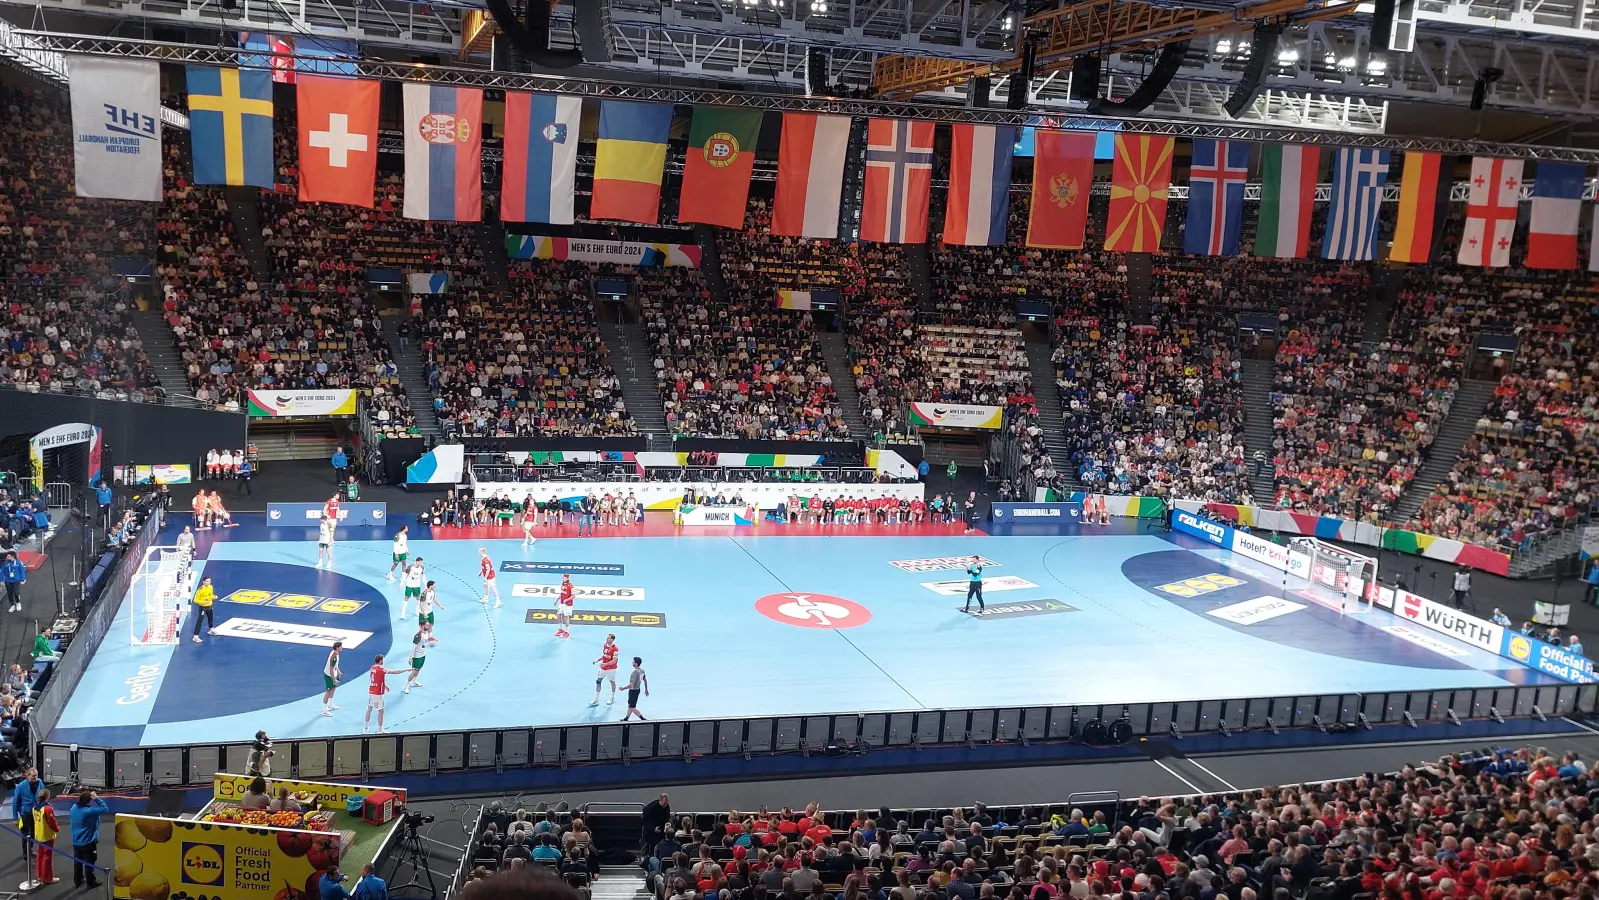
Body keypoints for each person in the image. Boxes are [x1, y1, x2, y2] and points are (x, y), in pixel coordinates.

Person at [69, 789, 109, 889]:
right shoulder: (89, 811)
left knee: (77, 862)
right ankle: (91, 882)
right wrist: (96, 798)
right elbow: (104, 808)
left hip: (76, 841)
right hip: (88, 842)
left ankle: (78, 881)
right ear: (89, 800)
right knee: (89, 862)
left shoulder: (73, 808)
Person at [364, 654, 407, 734]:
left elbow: (375, 679)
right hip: (378, 693)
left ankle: (365, 728)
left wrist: (385, 686)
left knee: (369, 709)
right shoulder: (381, 669)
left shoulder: (372, 668)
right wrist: (406, 670)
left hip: (371, 691)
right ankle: (380, 730)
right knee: (381, 711)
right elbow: (395, 672)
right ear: (380, 661)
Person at [12, 768, 38, 876]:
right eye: (33, 776)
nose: (35, 778)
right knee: (26, 835)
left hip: (36, 813)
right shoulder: (21, 786)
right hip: (26, 814)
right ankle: (26, 855)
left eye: (36, 775)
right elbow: (15, 802)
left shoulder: (39, 782)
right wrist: (15, 818)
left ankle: (30, 850)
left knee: (33, 834)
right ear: (27, 776)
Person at [32, 787, 58, 884]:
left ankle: (39, 875)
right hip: (47, 835)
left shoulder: (35, 806)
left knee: (40, 855)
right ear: (48, 797)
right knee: (47, 857)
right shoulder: (47, 808)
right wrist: (57, 829)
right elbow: (52, 822)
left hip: (39, 833)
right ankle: (47, 878)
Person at [403, 621, 436, 693]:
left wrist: (431, 643)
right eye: (426, 625)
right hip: (417, 656)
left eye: (428, 625)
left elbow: (424, 644)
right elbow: (413, 647)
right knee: (414, 671)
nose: (428, 626)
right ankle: (406, 686)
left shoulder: (426, 633)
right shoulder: (418, 635)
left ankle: (413, 682)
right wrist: (411, 657)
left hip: (423, 654)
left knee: (419, 669)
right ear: (422, 625)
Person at [590, 634, 620, 707]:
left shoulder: (615, 648)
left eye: (609, 638)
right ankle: (596, 700)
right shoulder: (605, 645)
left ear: (612, 639)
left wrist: (606, 664)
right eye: (607, 638)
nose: (607, 639)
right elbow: (604, 655)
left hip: (611, 668)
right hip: (603, 668)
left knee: (612, 682)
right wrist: (597, 660)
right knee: (598, 681)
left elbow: (615, 660)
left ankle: (612, 697)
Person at [622, 656, 649, 721]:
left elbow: (631, 684)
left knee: (632, 707)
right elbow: (645, 680)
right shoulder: (642, 670)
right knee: (630, 705)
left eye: (633, 661)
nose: (632, 662)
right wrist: (646, 689)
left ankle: (642, 718)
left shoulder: (635, 672)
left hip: (633, 691)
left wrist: (623, 688)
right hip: (637, 690)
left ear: (636, 663)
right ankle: (626, 718)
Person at [191, 576, 216, 643]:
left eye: (209, 581)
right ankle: (195, 636)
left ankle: (211, 630)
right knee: (200, 621)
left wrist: (214, 597)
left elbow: (210, 595)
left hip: (209, 605)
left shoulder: (210, 587)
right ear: (203, 582)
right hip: (203, 607)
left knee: (210, 618)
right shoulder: (200, 590)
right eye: (207, 581)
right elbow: (195, 600)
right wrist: (204, 602)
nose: (209, 582)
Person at [321, 640, 343, 717]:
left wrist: (339, 671)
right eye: (341, 647)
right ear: (337, 648)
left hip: (334, 673)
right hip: (329, 675)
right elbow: (330, 669)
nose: (342, 648)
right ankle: (324, 710)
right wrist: (334, 680)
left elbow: (335, 665)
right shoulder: (333, 657)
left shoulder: (336, 653)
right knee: (328, 691)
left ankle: (330, 705)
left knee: (333, 689)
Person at [554, 574, 575, 639]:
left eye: (565, 578)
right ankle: (561, 629)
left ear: (568, 578)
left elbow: (573, 596)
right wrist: (556, 600)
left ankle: (567, 632)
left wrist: (567, 599)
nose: (564, 579)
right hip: (562, 603)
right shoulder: (562, 584)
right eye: (563, 578)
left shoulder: (571, 586)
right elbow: (561, 593)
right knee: (558, 614)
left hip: (568, 604)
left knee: (566, 617)